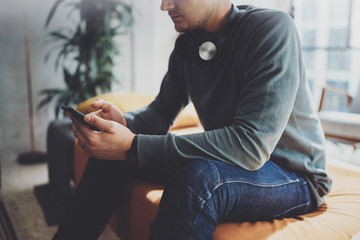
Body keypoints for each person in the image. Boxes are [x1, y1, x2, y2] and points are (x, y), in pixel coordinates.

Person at [53, 0, 332, 239]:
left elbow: (250, 145)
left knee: (200, 178)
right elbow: (161, 112)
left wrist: (133, 145)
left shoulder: (272, 29)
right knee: (109, 155)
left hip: (294, 175)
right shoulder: (188, 45)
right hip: (233, 160)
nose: (164, 6)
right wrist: (125, 124)